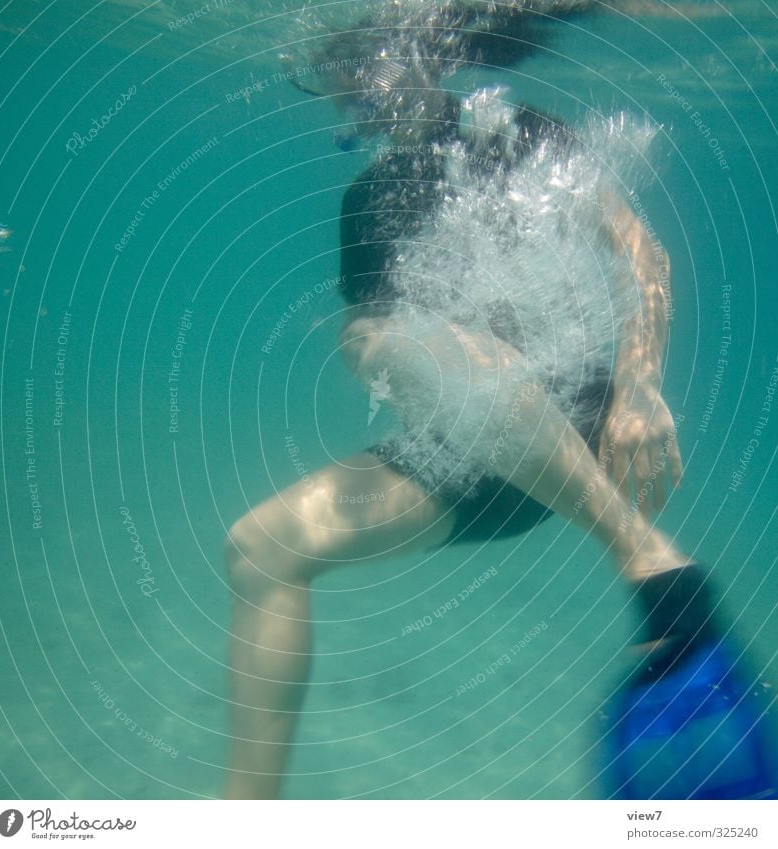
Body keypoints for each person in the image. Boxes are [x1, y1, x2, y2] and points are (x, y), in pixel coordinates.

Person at [223, 1, 698, 800]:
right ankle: (244, 811)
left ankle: (639, 548)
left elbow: (642, 255)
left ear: (430, 56)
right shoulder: (367, 204)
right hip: (471, 456)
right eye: (344, 70)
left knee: (395, 339)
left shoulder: (520, 133)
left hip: (580, 425)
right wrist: (377, 354)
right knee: (259, 546)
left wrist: (641, 390)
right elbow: (381, 350)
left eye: (368, 58)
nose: (357, 84)